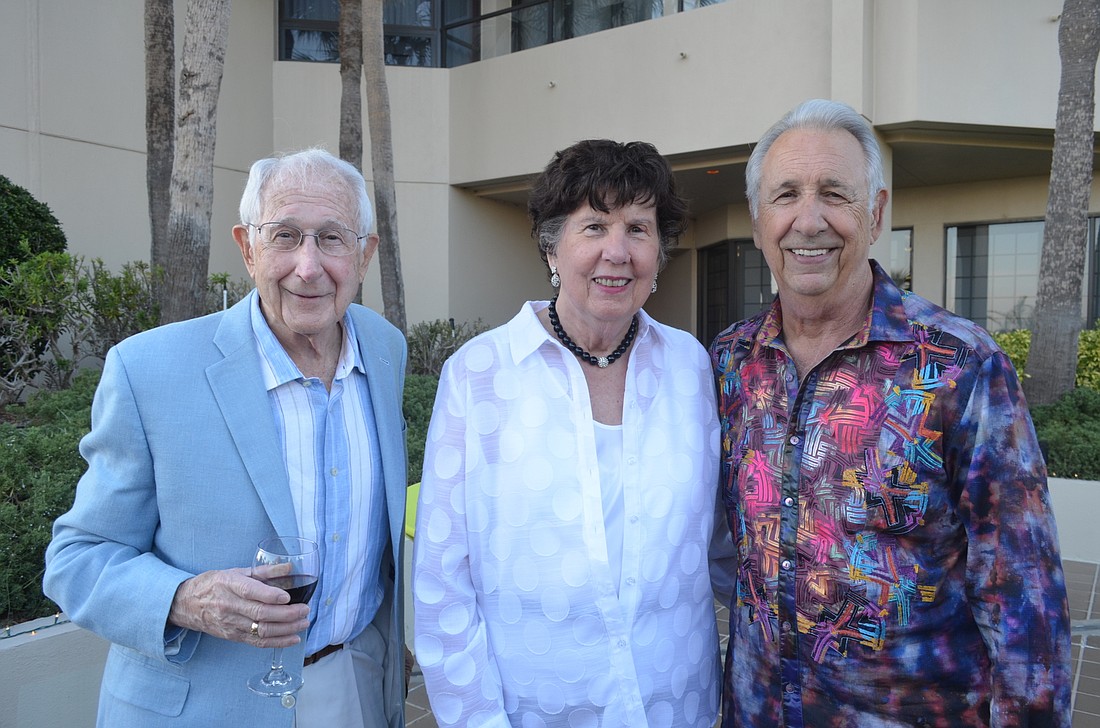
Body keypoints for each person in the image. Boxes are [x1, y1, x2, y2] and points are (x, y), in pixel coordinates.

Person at [709, 98, 1072, 726]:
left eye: (835, 194)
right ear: (757, 218)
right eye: (786, 195)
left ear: (875, 214)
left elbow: (1025, 600)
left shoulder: (960, 366)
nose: (808, 220)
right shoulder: (731, 363)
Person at [43, 149, 408, 727]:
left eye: (332, 238)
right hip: (204, 709)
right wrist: (185, 599)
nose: (308, 266)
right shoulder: (148, 370)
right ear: (247, 248)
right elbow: (77, 559)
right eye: (285, 236)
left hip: (355, 687)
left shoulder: (385, 349)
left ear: (364, 254)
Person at [412, 139, 722, 727]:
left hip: (677, 704)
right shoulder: (479, 374)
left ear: (659, 252)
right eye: (594, 227)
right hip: (535, 711)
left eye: (638, 229)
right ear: (552, 246)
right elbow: (441, 583)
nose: (617, 252)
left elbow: (724, 541)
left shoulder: (690, 367)